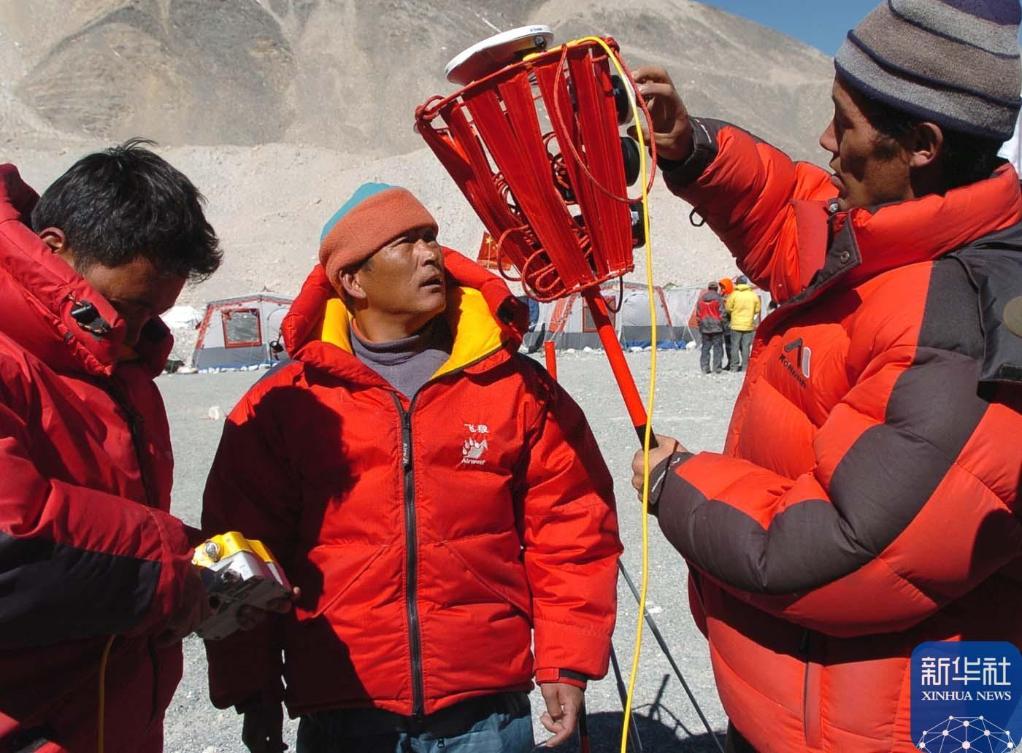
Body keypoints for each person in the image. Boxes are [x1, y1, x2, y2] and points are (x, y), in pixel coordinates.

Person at [630, 1, 1022, 751]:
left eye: (844, 123)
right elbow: (789, 211)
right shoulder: (891, 231)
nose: (824, 140)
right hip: (803, 712)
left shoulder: (968, 324)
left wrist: (675, 482)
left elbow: (844, 552)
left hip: (886, 731)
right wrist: (691, 151)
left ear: (923, 145)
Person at [202, 183, 621, 753]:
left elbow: (573, 527)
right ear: (353, 281)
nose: (432, 256)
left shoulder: (515, 389)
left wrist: (566, 660)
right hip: (345, 708)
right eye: (406, 243)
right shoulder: (286, 404)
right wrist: (251, 687)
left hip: (487, 713)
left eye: (431, 238)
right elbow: (242, 551)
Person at [0, 141, 222, 753]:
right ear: (53, 248)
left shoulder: (115, 365)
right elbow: (10, 545)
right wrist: (168, 567)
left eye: (155, 315)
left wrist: (196, 560)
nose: (137, 332)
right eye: (128, 308)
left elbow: (104, 521)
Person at [724, 275, 760, 371]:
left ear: (738, 283)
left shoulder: (734, 295)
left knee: (735, 346)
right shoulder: (753, 295)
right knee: (746, 346)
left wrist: (734, 313)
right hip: (748, 325)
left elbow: (728, 308)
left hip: (735, 325)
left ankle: (734, 366)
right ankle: (745, 366)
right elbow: (757, 309)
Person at [695, 280, 725, 373]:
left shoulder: (701, 299)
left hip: (704, 327)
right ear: (716, 288)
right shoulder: (719, 298)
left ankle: (705, 367)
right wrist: (722, 324)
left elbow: (698, 314)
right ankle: (717, 367)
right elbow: (722, 313)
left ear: (708, 288)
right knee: (718, 348)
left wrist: (700, 325)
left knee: (705, 348)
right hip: (717, 327)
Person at [717, 277, 734, 369]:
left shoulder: (733, 296)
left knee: (736, 345)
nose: (722, 289)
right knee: (728, 345)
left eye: (723, 287)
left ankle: (736, 363)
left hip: (732, 324)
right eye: (721, 287)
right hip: (724, 324)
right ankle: (730, 362)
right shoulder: (720, 297)